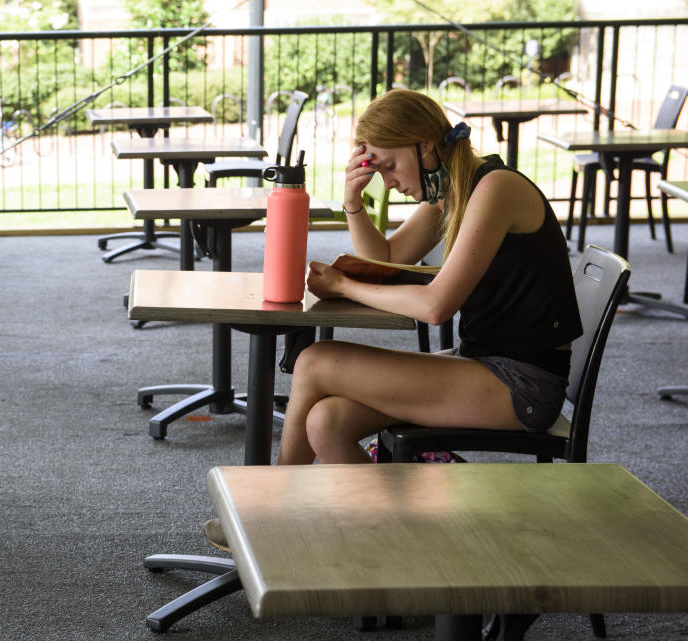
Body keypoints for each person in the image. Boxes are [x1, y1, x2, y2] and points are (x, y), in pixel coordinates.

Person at [204, 88, 583, 549]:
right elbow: (384, 260)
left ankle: (267, 513)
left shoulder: (495, 188)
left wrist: (343, 286)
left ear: (425, 145)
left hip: (522, 384)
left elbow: (435, 305)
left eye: (388, 166)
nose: (387, 181)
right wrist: (353, 202)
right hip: (485, 364)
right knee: (326, 422)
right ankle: (411, 543)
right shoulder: (453, 192)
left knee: (315, 362)